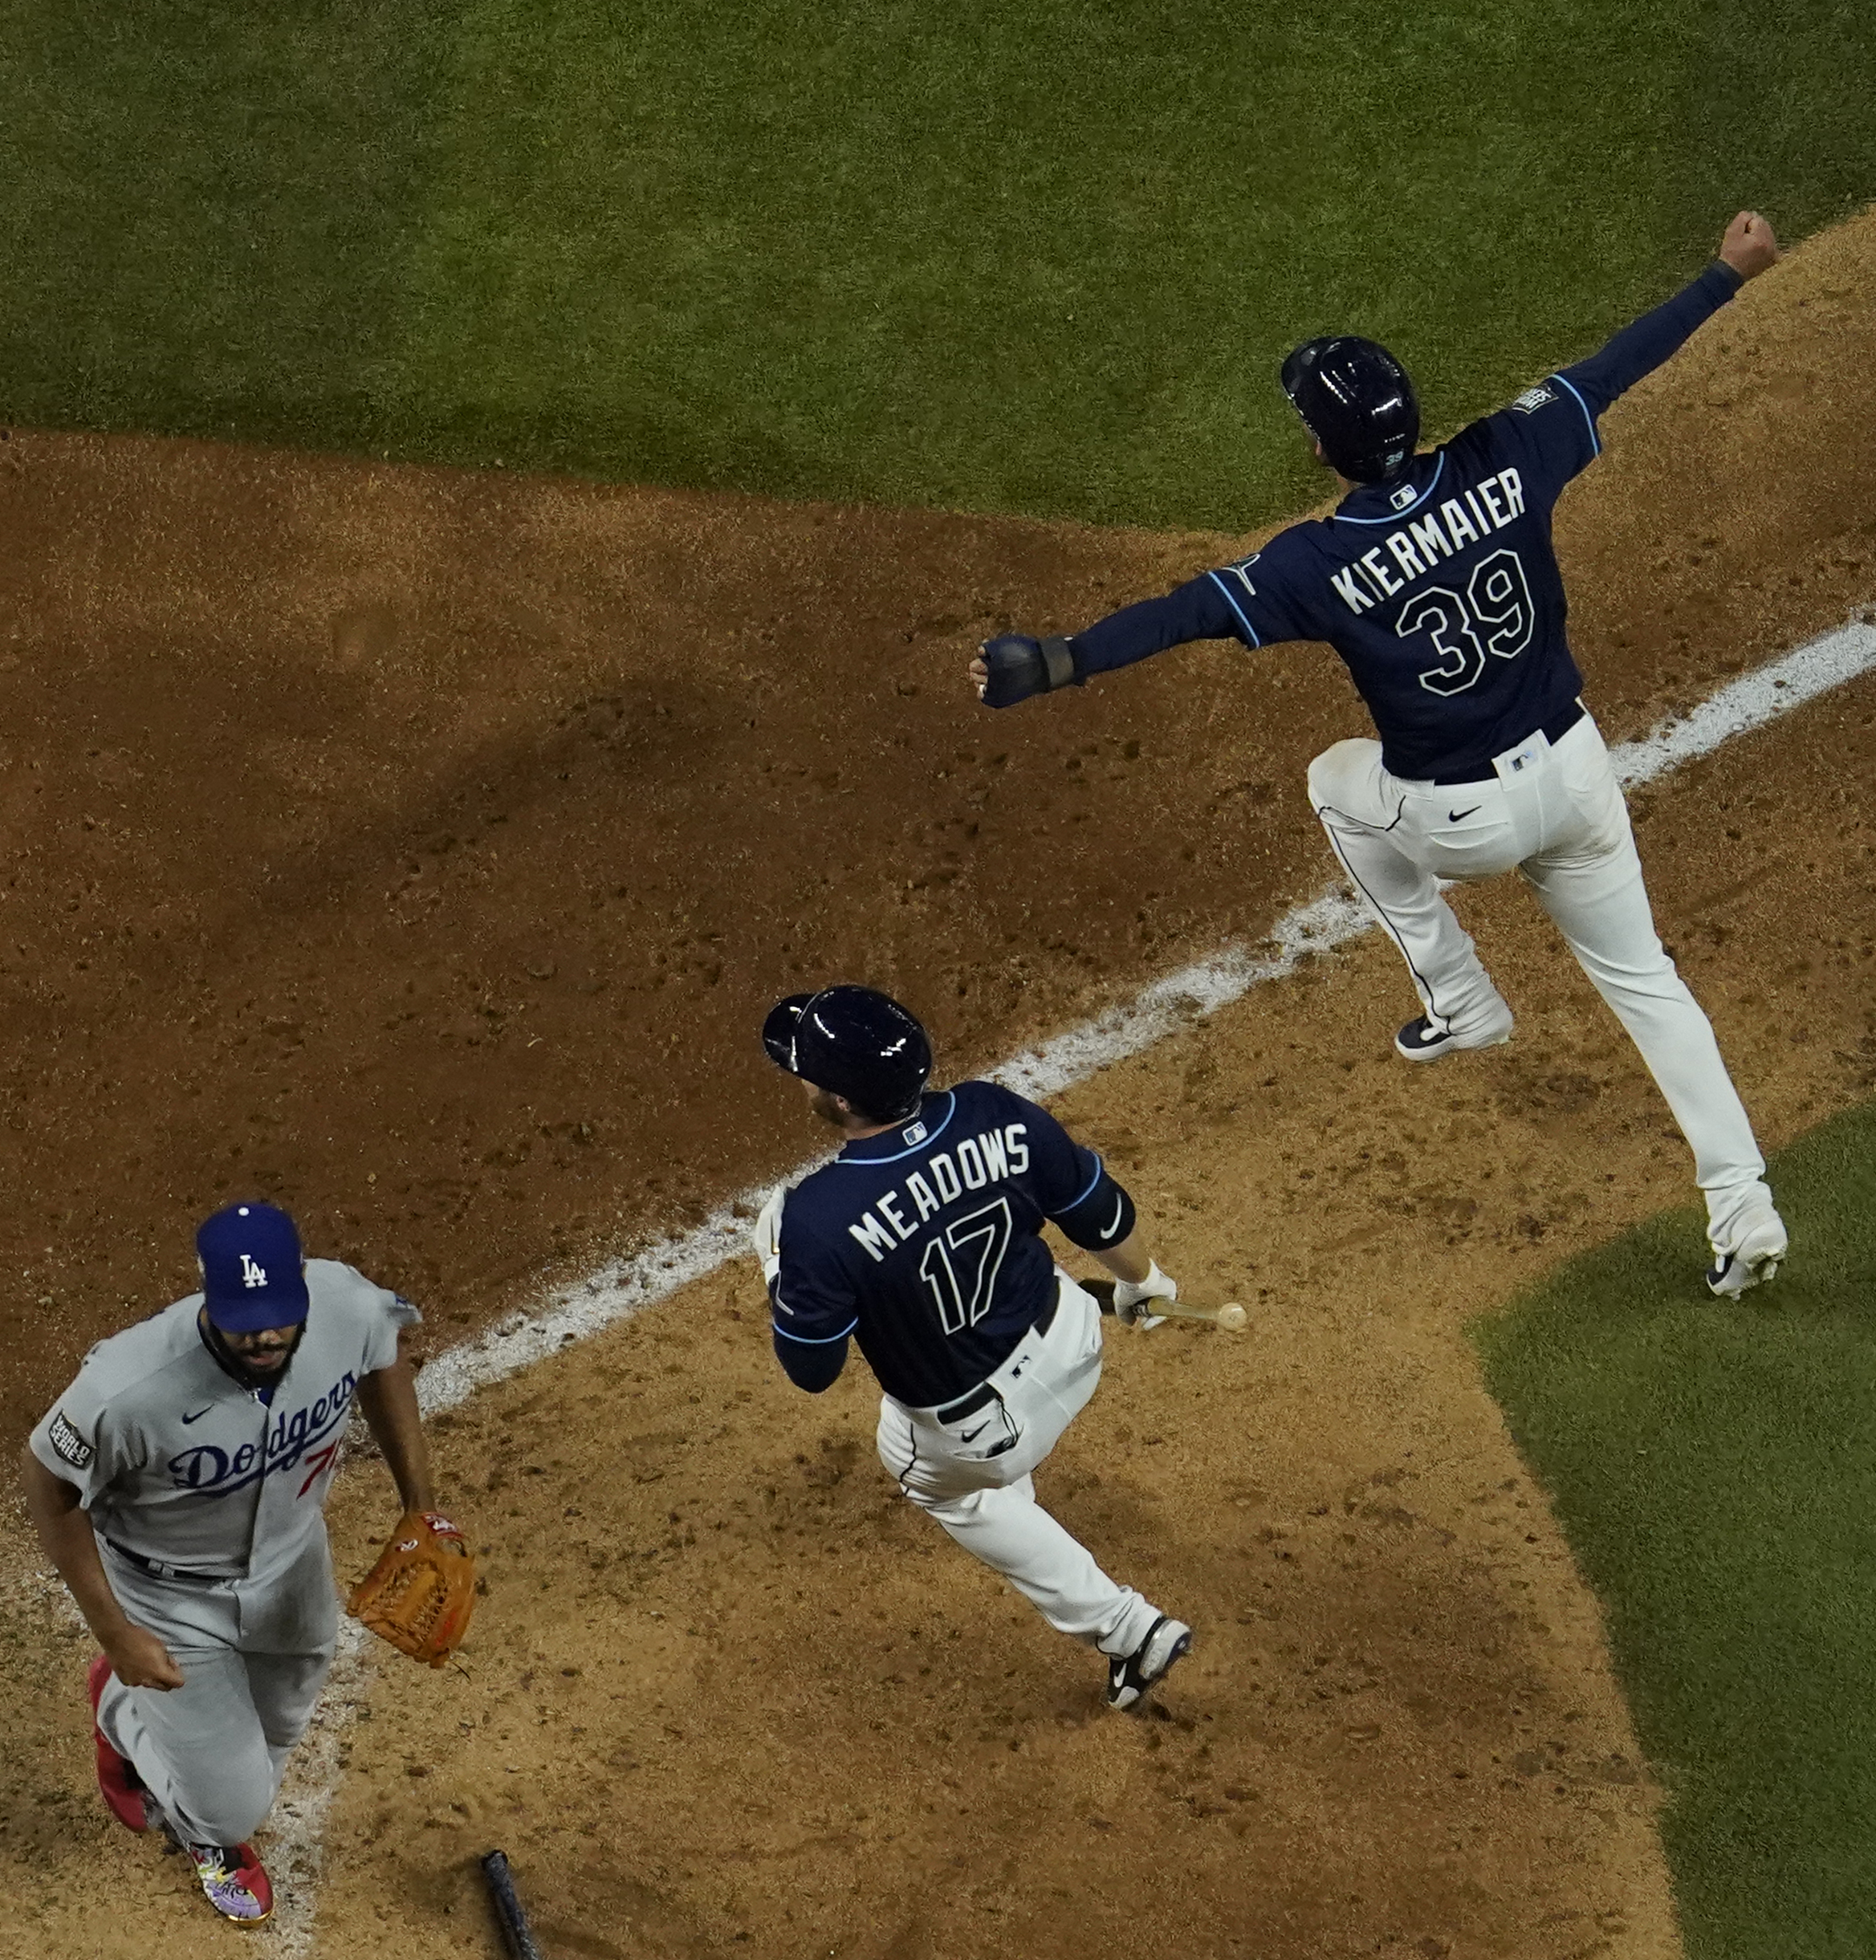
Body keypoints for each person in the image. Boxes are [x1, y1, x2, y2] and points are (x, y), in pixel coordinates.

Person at [971, 211, 1792, 1298]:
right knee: (1647, 985)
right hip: (1577, 774)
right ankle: (1744, 1213)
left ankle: (1458, 997)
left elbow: (1182, 614)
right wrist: (1723, 275)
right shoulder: (1509, 451)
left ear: (1318, 448)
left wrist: (1062, 659)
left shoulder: (1311, 562)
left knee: (1333, 782)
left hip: (1459, 820)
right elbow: (1614, 366)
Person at [755, 988, 1198, 1711]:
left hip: (980, 1437)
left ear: (838, 1102)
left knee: (936, 1483)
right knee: (1000, 1393)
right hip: (1074, 1344)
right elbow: (1099, 1213)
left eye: (807, 1074)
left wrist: (780, 1271)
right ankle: (1017, 1490)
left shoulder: (817, 1219)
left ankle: (1125, 1629)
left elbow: (812, 1371)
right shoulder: (996, 1111)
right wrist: (1143, 1283)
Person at [24, 1202, 450, 1926]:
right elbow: (48, 1489)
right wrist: (115, 1633)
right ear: (206, 1296)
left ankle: (163, 1738)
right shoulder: (124, 1391)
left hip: (293, 1566)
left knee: (278, 1728)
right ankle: (138, 1739)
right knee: (231, 1810)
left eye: (280, 1313)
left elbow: (383, 1362)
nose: (264, 1335)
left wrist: (421, 1502)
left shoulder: (345, 1303)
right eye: (243, 1317)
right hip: (168, 1600)